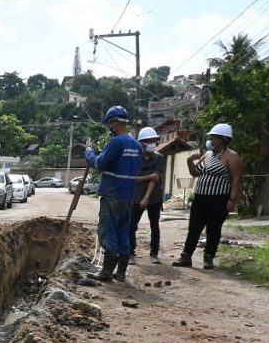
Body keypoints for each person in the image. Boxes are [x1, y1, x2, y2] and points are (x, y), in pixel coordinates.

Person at [84, 106, 158, 282]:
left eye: (110, 124)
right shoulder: (136, 145)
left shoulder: (117, 142)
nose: (109, 127)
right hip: (127, 197)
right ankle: (121, 272)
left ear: (115, 124)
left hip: (111, 196)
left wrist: (89, 153)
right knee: (123, 233)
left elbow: (100, 164)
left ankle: (106, 272)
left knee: (107, 232)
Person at [173, 123, 244, 270]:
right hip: (200, 197)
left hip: (218, 199)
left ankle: (208, 257)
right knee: (194, 228)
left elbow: (236, 179)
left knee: (213, 229)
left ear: (222, 139)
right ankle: (186, 256)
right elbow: (195, 173)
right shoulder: (208, 154)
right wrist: (189, 161)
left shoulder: (232, 156)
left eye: (213, 137)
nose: (210, 139)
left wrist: (232, 200)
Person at [129, 126, 167, 264]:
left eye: (154, 140)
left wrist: (146, 197)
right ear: (142, 142)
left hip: (154, 196)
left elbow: (156, 179)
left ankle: (154, 253)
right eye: (149, 140)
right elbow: (131, 179)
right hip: (136, 196)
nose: (153, 143)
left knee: (154, 226)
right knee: (131, 225)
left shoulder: (159, 158)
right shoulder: (134, 158)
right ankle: (130, 253)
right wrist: (150, 176)